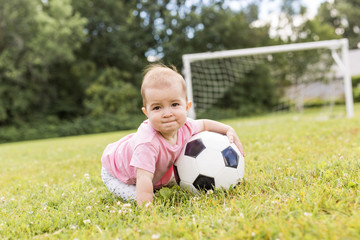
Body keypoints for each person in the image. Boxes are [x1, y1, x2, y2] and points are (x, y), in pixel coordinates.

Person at [101, 64, 245, 206]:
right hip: (116, 174)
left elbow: (205, 124)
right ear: (147, 113)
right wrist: (148, 209)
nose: (167, 113)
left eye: (175, 104)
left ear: (187, 107)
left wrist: (227, 129)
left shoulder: (185, 126)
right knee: (139, 196)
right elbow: (143, 177)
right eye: (157, 107)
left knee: (161, 182)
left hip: (149, 170)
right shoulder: (147, 143)